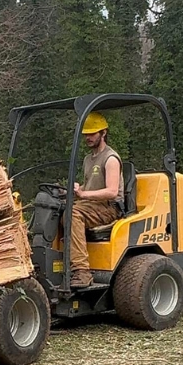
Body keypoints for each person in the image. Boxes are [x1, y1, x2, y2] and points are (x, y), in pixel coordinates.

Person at [68, 112, 124, 288]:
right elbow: (89, 186)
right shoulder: (88, 159)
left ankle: (82, 271)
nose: (88, 138)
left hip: (109, 208)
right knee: (58, 209)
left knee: (72, 214)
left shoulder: (111, 158)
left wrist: (84, 195)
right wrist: (76, 190)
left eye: (92, 133)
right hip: (91, 206)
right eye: (86, 134)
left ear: (103, 132)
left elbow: (112, 192)